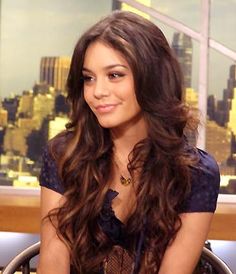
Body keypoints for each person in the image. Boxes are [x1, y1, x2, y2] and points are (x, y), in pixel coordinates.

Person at [37, 11, 220, 274]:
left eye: (114, 75)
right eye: (88, 78)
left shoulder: (196, 172)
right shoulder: (65, 155)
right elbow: (53, 264)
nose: (97, 91)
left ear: (152, 78)